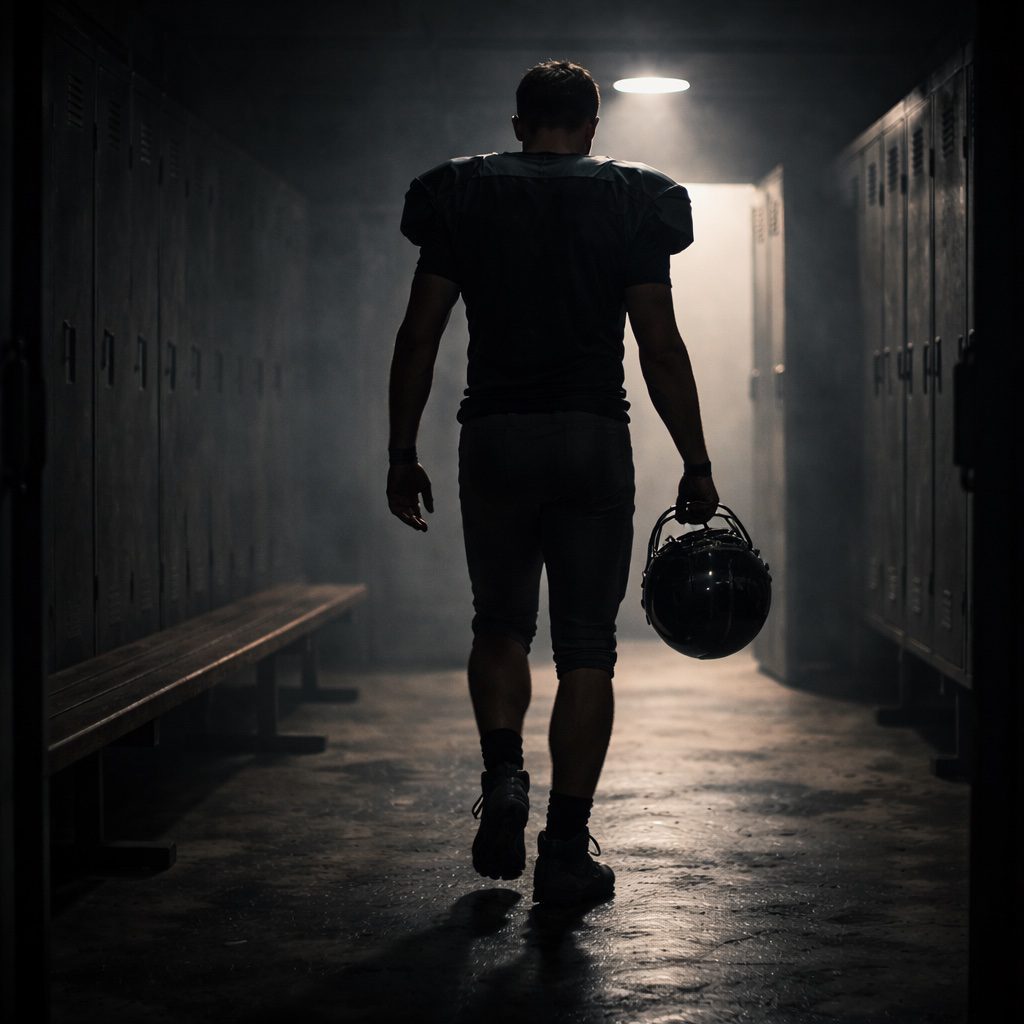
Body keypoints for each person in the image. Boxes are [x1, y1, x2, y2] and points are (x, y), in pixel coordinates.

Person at [387, 59, 718, 907]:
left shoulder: (460, 194)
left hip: (494, 433)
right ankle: (564, 851)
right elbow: (659, 344)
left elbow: (419, 335)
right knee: (586, 651)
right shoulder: (633, 197)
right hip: (589, 437)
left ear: (518, 124)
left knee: (498, 624)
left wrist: (401, 449)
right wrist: (695, 458)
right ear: (593, 129)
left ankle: (504, 775)